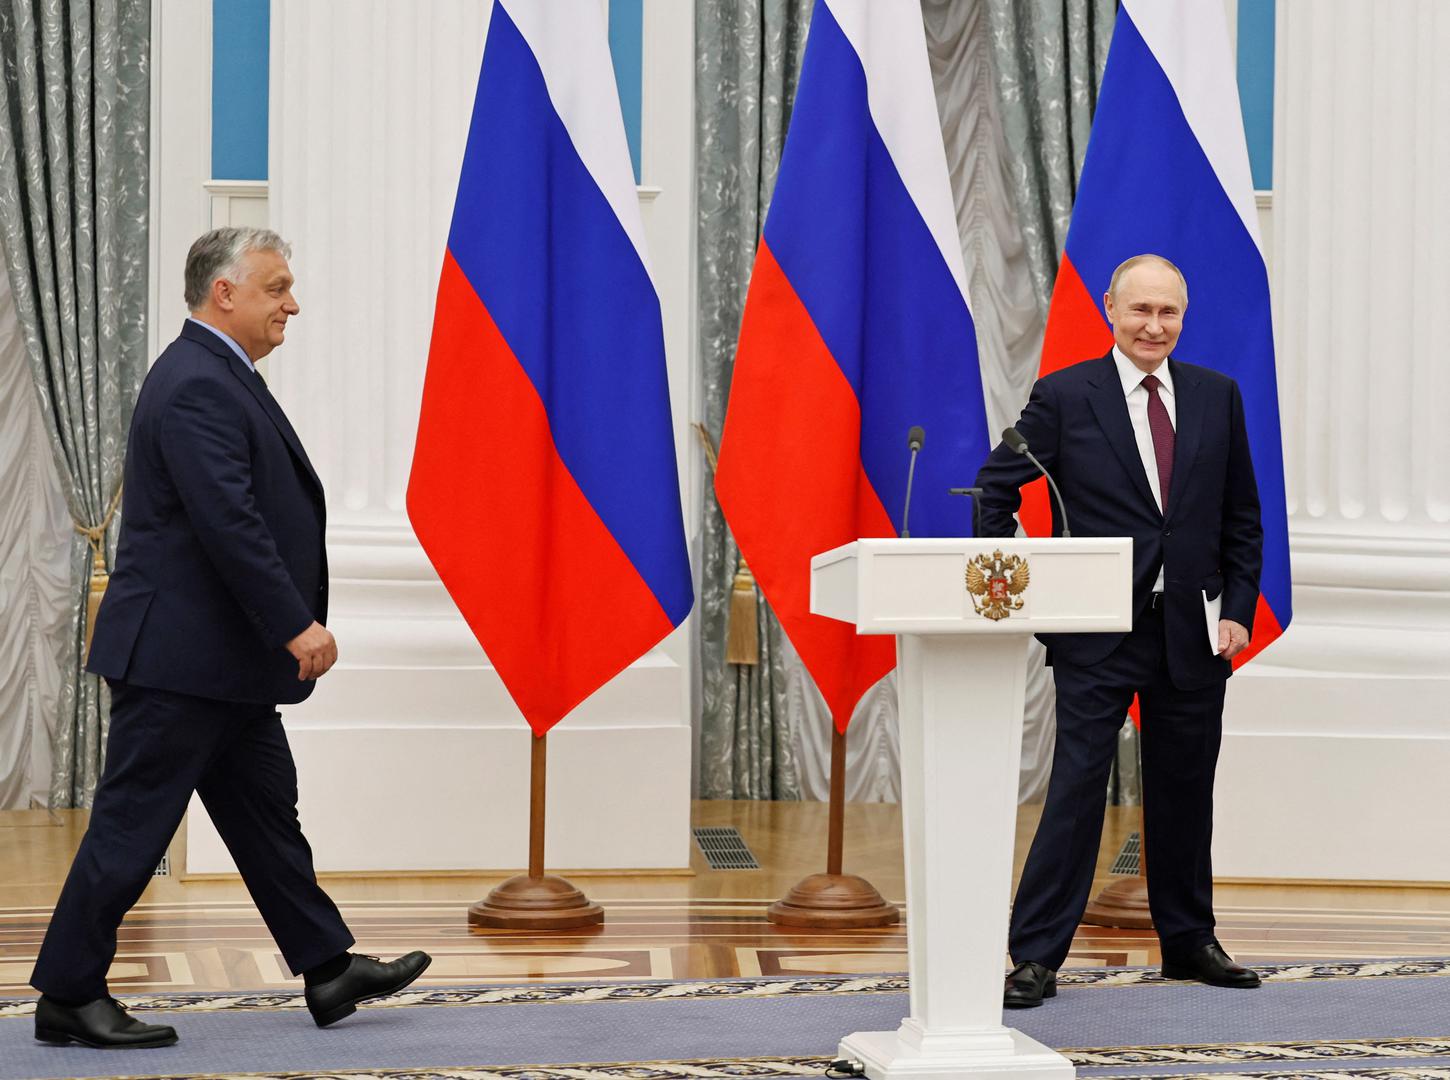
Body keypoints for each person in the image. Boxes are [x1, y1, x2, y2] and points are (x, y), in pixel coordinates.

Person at [30, 227, 431, 1048]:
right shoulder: (196, 383)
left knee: (264, 816)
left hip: (218, 664)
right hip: (181, 663)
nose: (292, 304)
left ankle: (327, 967)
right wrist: (293, 624)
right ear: (225, 293)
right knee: (132, 827)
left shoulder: (217, 374)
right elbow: (229, 523)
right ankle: (68, 993)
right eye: (276, 288)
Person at [973, 254, 1264, 1008]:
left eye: (1168, 312)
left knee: (1185, 791)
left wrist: (1238, 608)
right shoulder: (1066, 395)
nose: (1154, 326)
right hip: (1096, 633)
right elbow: (995, 489)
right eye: (1141, 310)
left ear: (1183, 317)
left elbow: (1242, 515)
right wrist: (1030, 590)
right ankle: (1036, 956)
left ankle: (1190, 942)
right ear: (1110, 309)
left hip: (1193, 632)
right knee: (1075, 793)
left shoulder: (1217, 395)